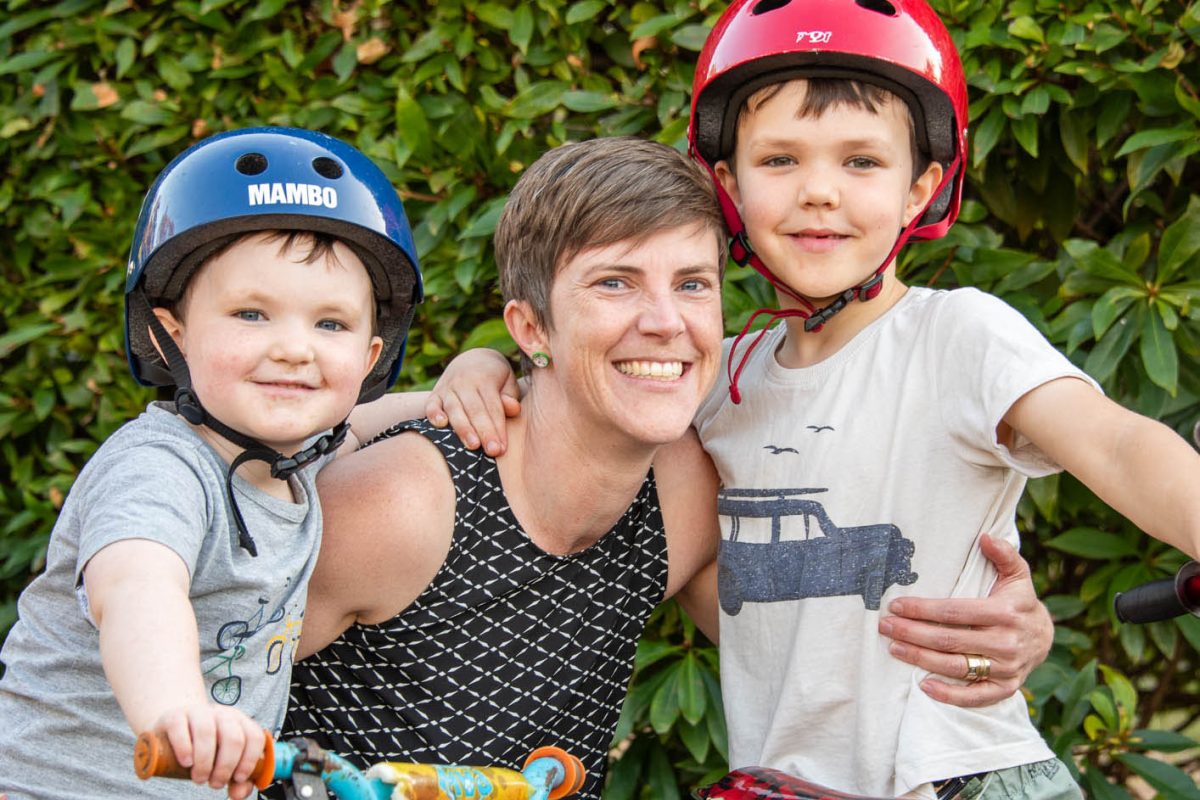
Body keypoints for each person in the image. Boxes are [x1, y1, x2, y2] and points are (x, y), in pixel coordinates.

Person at [422, 1, 1199, 798]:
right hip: (787, 782)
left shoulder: (957, 336)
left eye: (861, 162)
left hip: (960, 776)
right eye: (781, 160)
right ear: (728, 187)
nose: (820, 192)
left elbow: (1116, 444)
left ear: (920, 188)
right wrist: (483, 364)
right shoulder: (711, 378)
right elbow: (742, 603)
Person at [273, 136, 727, 800]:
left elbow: (793, 671)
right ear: (531, 329)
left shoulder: (684, 491)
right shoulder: (403, 506)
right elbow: (164, 706)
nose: (666, 321)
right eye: (614, 283)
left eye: (692, 284)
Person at [0, 127, 423, 800]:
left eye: (330, 325)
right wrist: (174, 712)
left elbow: (371, 421)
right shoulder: (160, 469)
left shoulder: (294, 462)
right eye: (252, 314)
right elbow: (137, 588)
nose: (294, 349)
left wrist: (471, 384)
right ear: (174, 335)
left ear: (370, 358)